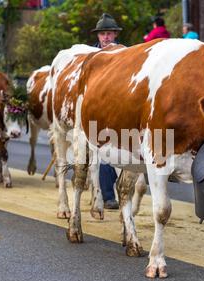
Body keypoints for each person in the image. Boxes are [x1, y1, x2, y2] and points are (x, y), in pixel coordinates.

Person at [91, 13, 123, 209]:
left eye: (109, 33)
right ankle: (108, 195)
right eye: (102, 34)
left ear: (115, 35)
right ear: (98, 36)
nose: (106, 38)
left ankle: (114, 193)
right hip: (95, 109)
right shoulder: (89, 55)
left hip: (119, 108)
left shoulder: (124, 53)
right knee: (102, 154)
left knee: (119, 154)